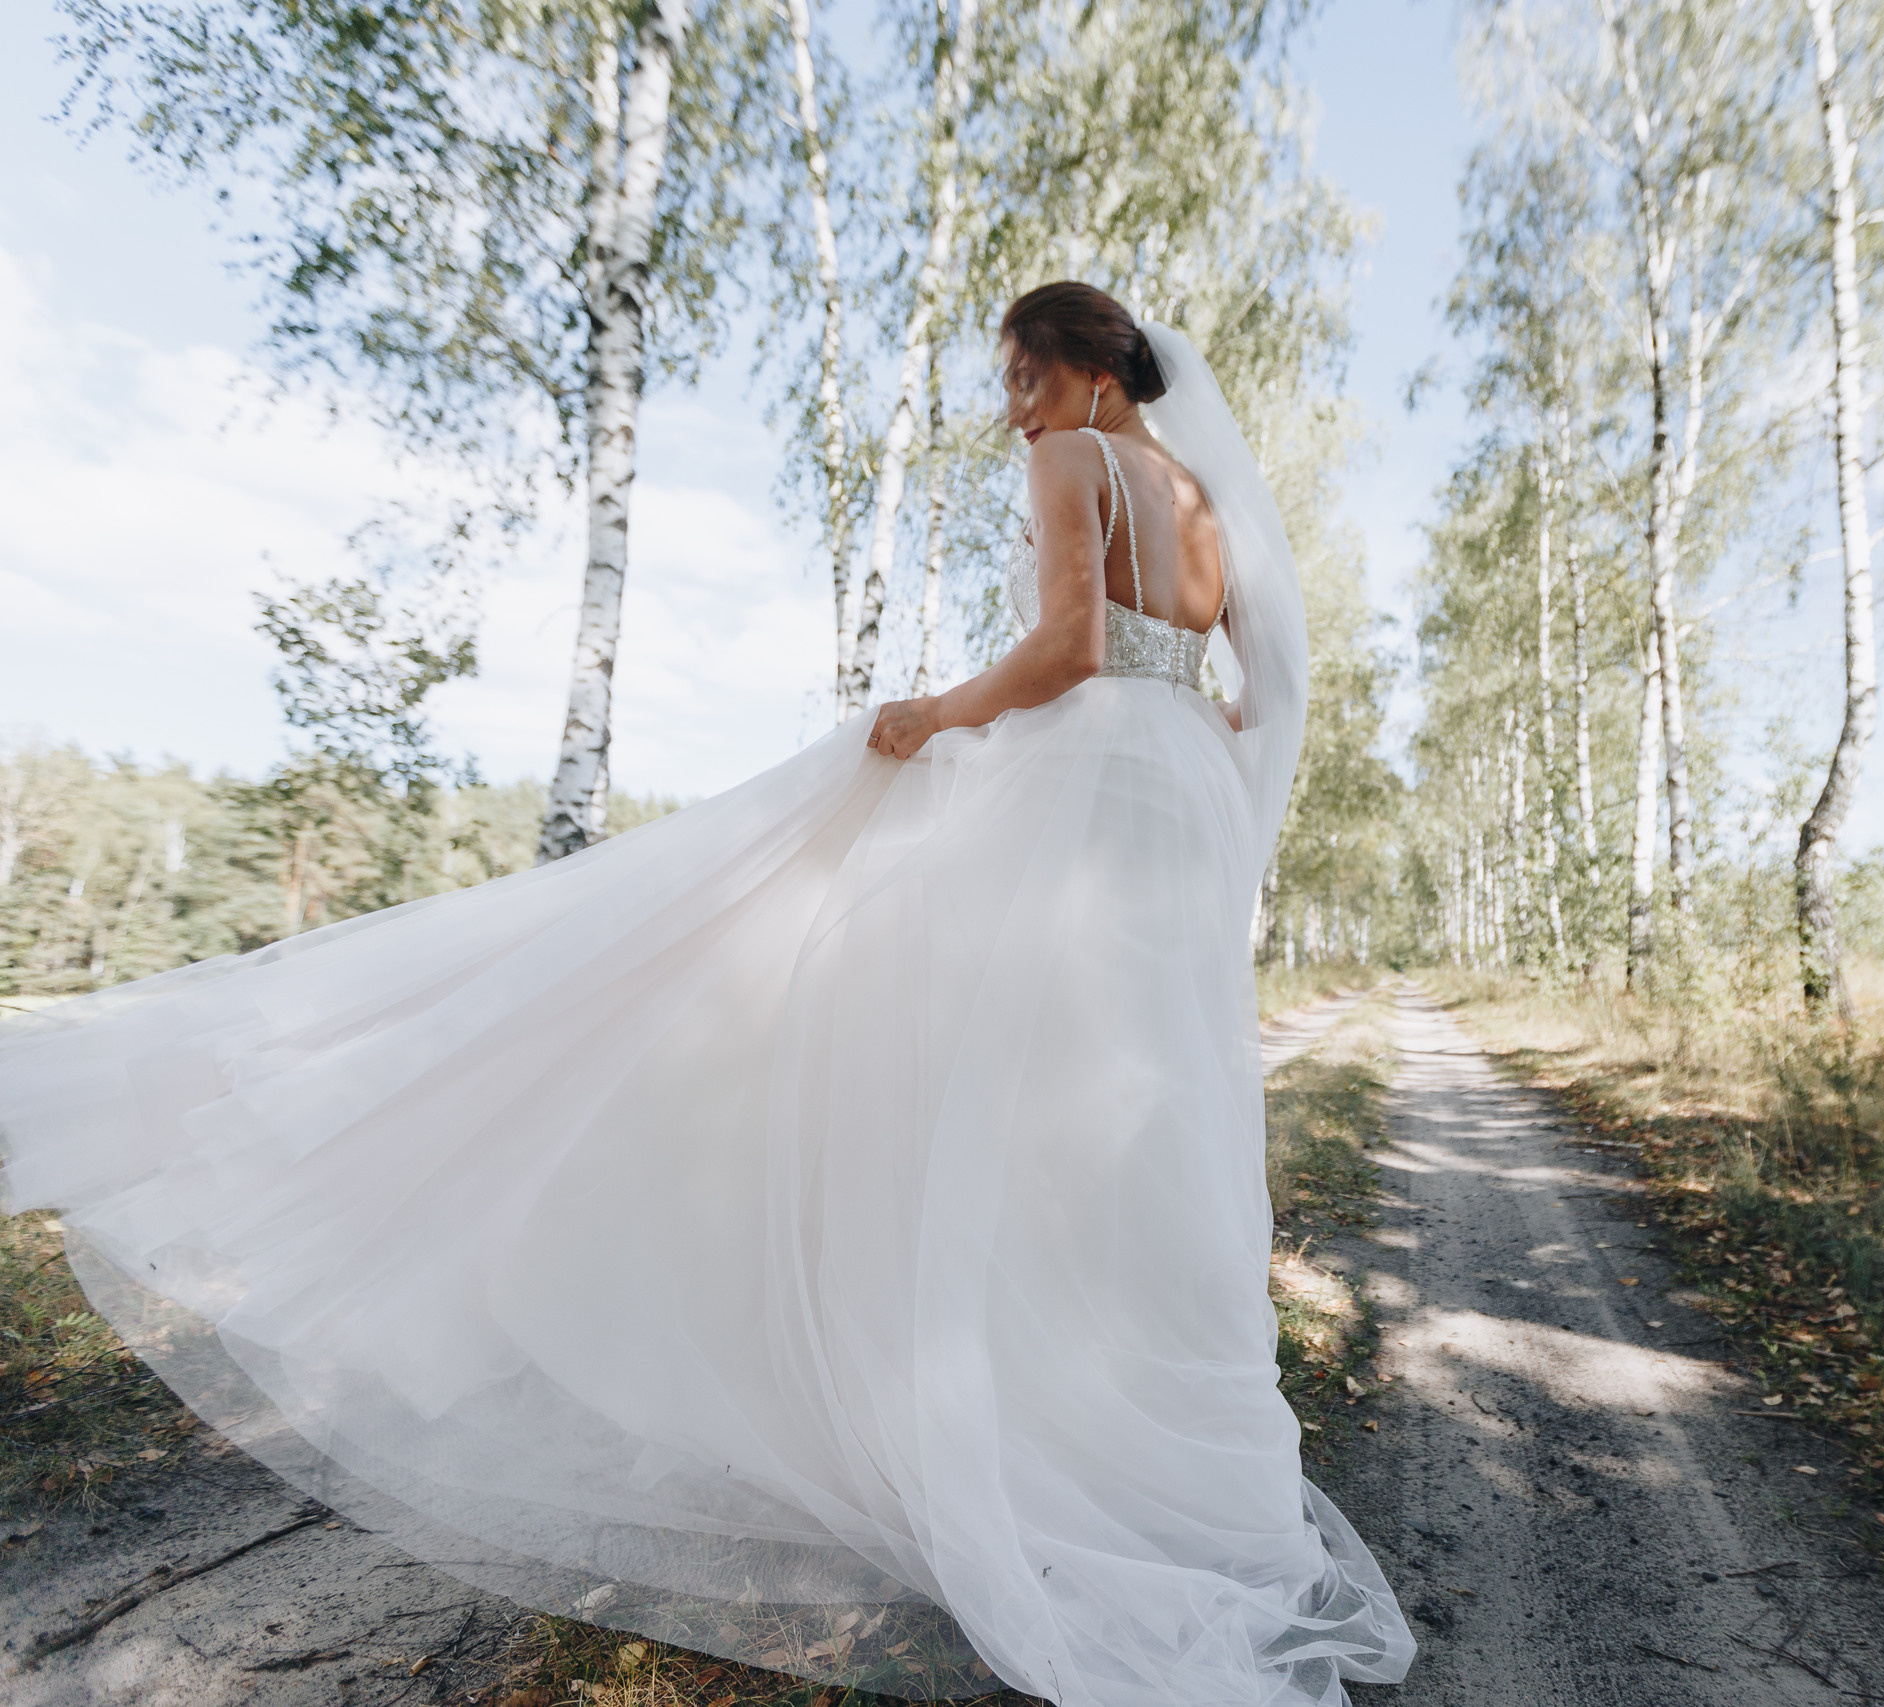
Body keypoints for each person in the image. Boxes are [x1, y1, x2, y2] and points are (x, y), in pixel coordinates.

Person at [0, 282, 1414, 1707]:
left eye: (1022, 379)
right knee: (1128, 1118)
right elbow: (1248, 692)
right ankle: (1128, 1428)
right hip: (1179, 805)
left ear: (1085, 371)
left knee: (958, 1075)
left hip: (1090, 780)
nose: (1011, 410)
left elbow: (1068, 648)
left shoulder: (1078, 462)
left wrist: (933, 716)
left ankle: (975, 1407)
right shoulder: (1206, 500)